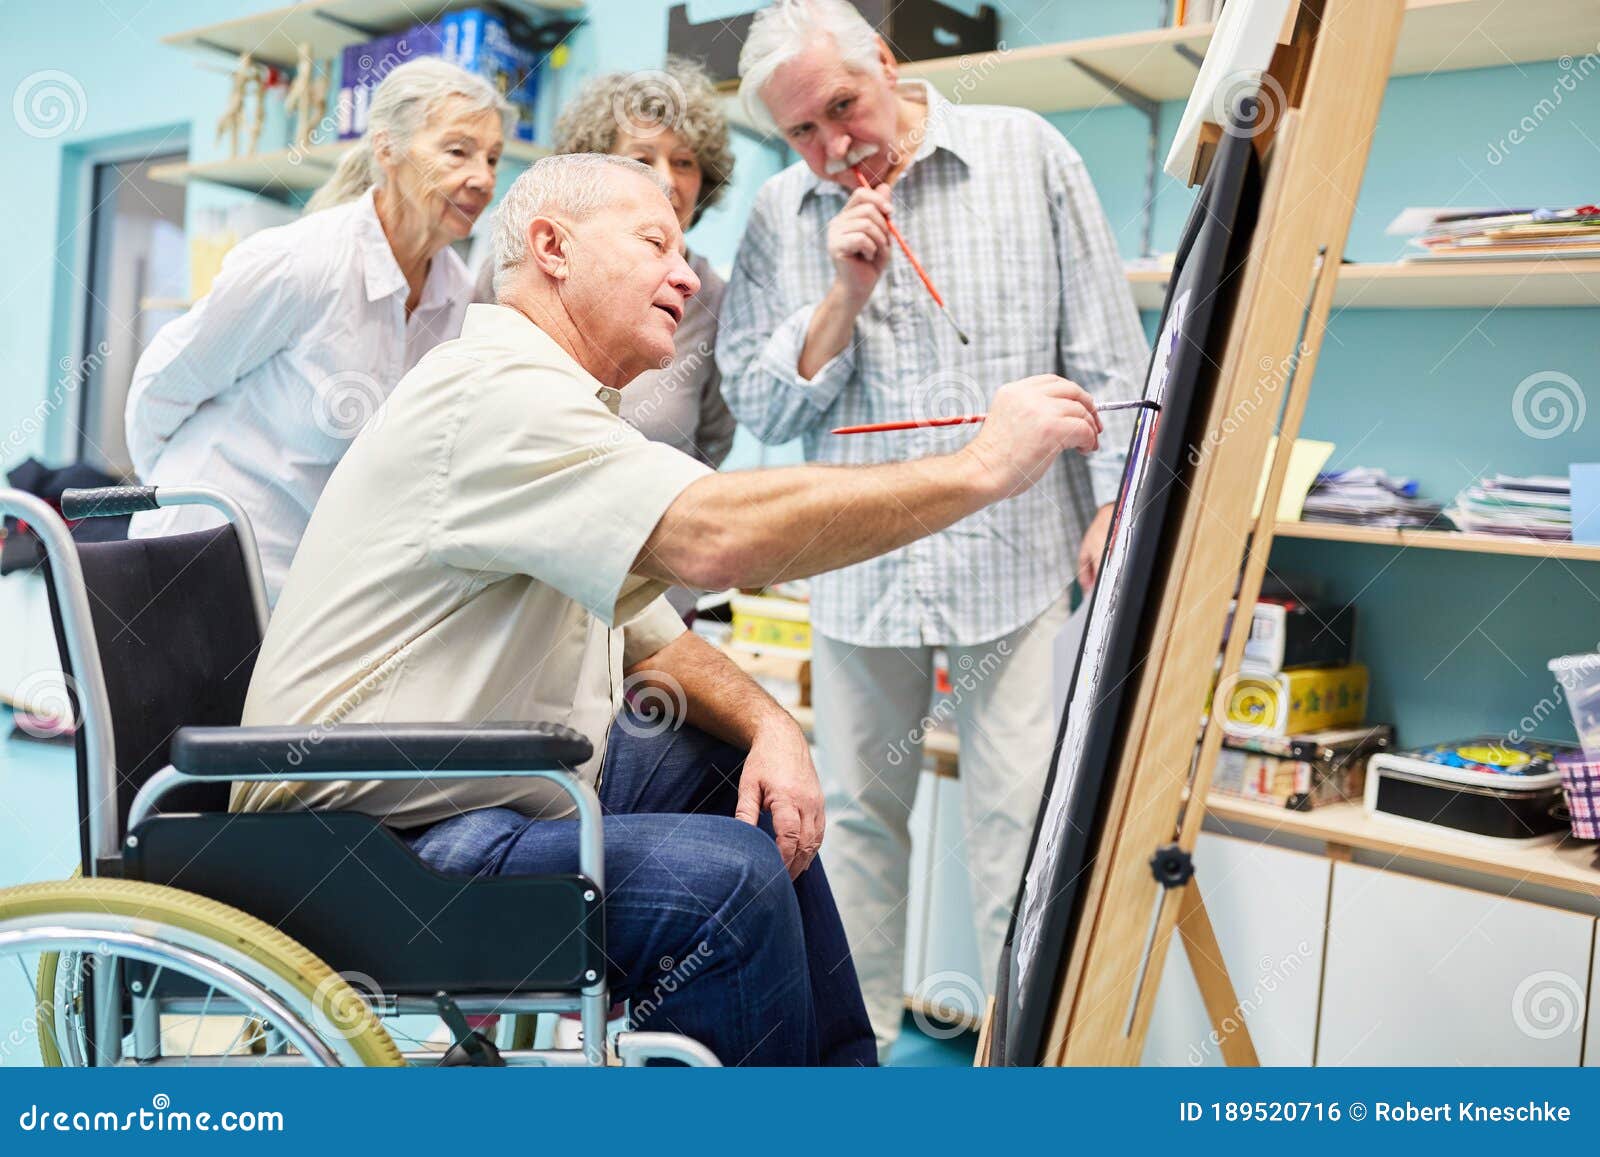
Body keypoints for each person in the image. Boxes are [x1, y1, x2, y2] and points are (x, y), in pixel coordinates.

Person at [234, 153, 1107, 1066]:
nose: (688, 273)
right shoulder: (494, 395)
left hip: (468, 794)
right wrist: (980, 469)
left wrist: (774, 726)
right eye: (656, 242)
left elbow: (652, 634)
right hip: (364, 845)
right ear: (552, 247)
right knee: (725, 883)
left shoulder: (554, 404)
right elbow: (709, 538)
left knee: (737, 777)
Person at [717, 0, 1152, 1058]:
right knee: (852, 828)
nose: (831, 148)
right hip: (862, 567)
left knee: (1020, 829)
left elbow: (1103, 342)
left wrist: (1112, 501)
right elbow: (760, 407)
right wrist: (840, 296)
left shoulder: (1025, 152)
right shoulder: (783, 211)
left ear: (887, 63)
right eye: (802, 134)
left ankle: (1021, 1059)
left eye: (842, 110)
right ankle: (851, 1055)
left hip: (1016, 553)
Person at [125, 58, 507, 603]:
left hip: (311, 584)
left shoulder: (457, 300)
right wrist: (169, 497)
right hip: (194, 555)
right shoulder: (301, 263)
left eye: (493, 159)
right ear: (387, 149)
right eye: (458, 151)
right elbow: (162, 389)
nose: (483, 178)